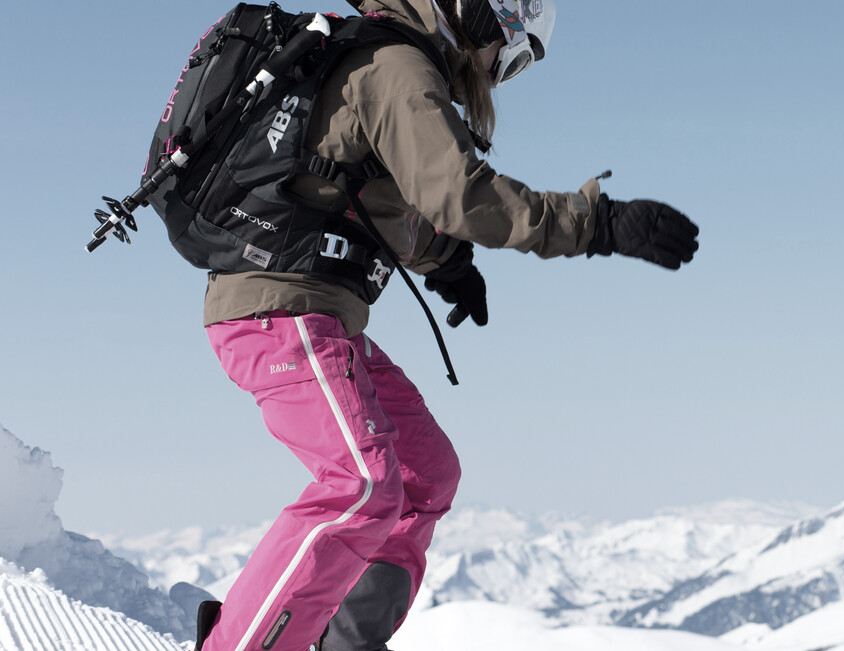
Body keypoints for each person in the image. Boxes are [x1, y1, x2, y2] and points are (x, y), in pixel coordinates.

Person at [196, 1, 699, 650]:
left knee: (424, 473)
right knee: (362, 483)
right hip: (279, 311)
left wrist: (447, 261)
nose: (496, 73)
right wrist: (595, 223)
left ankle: (339, 638)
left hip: (320, 314)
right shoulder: (397, 66)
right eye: (512, 55)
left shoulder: (393, 61)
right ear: (486, 16)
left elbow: (375, 195)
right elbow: (460, 193)